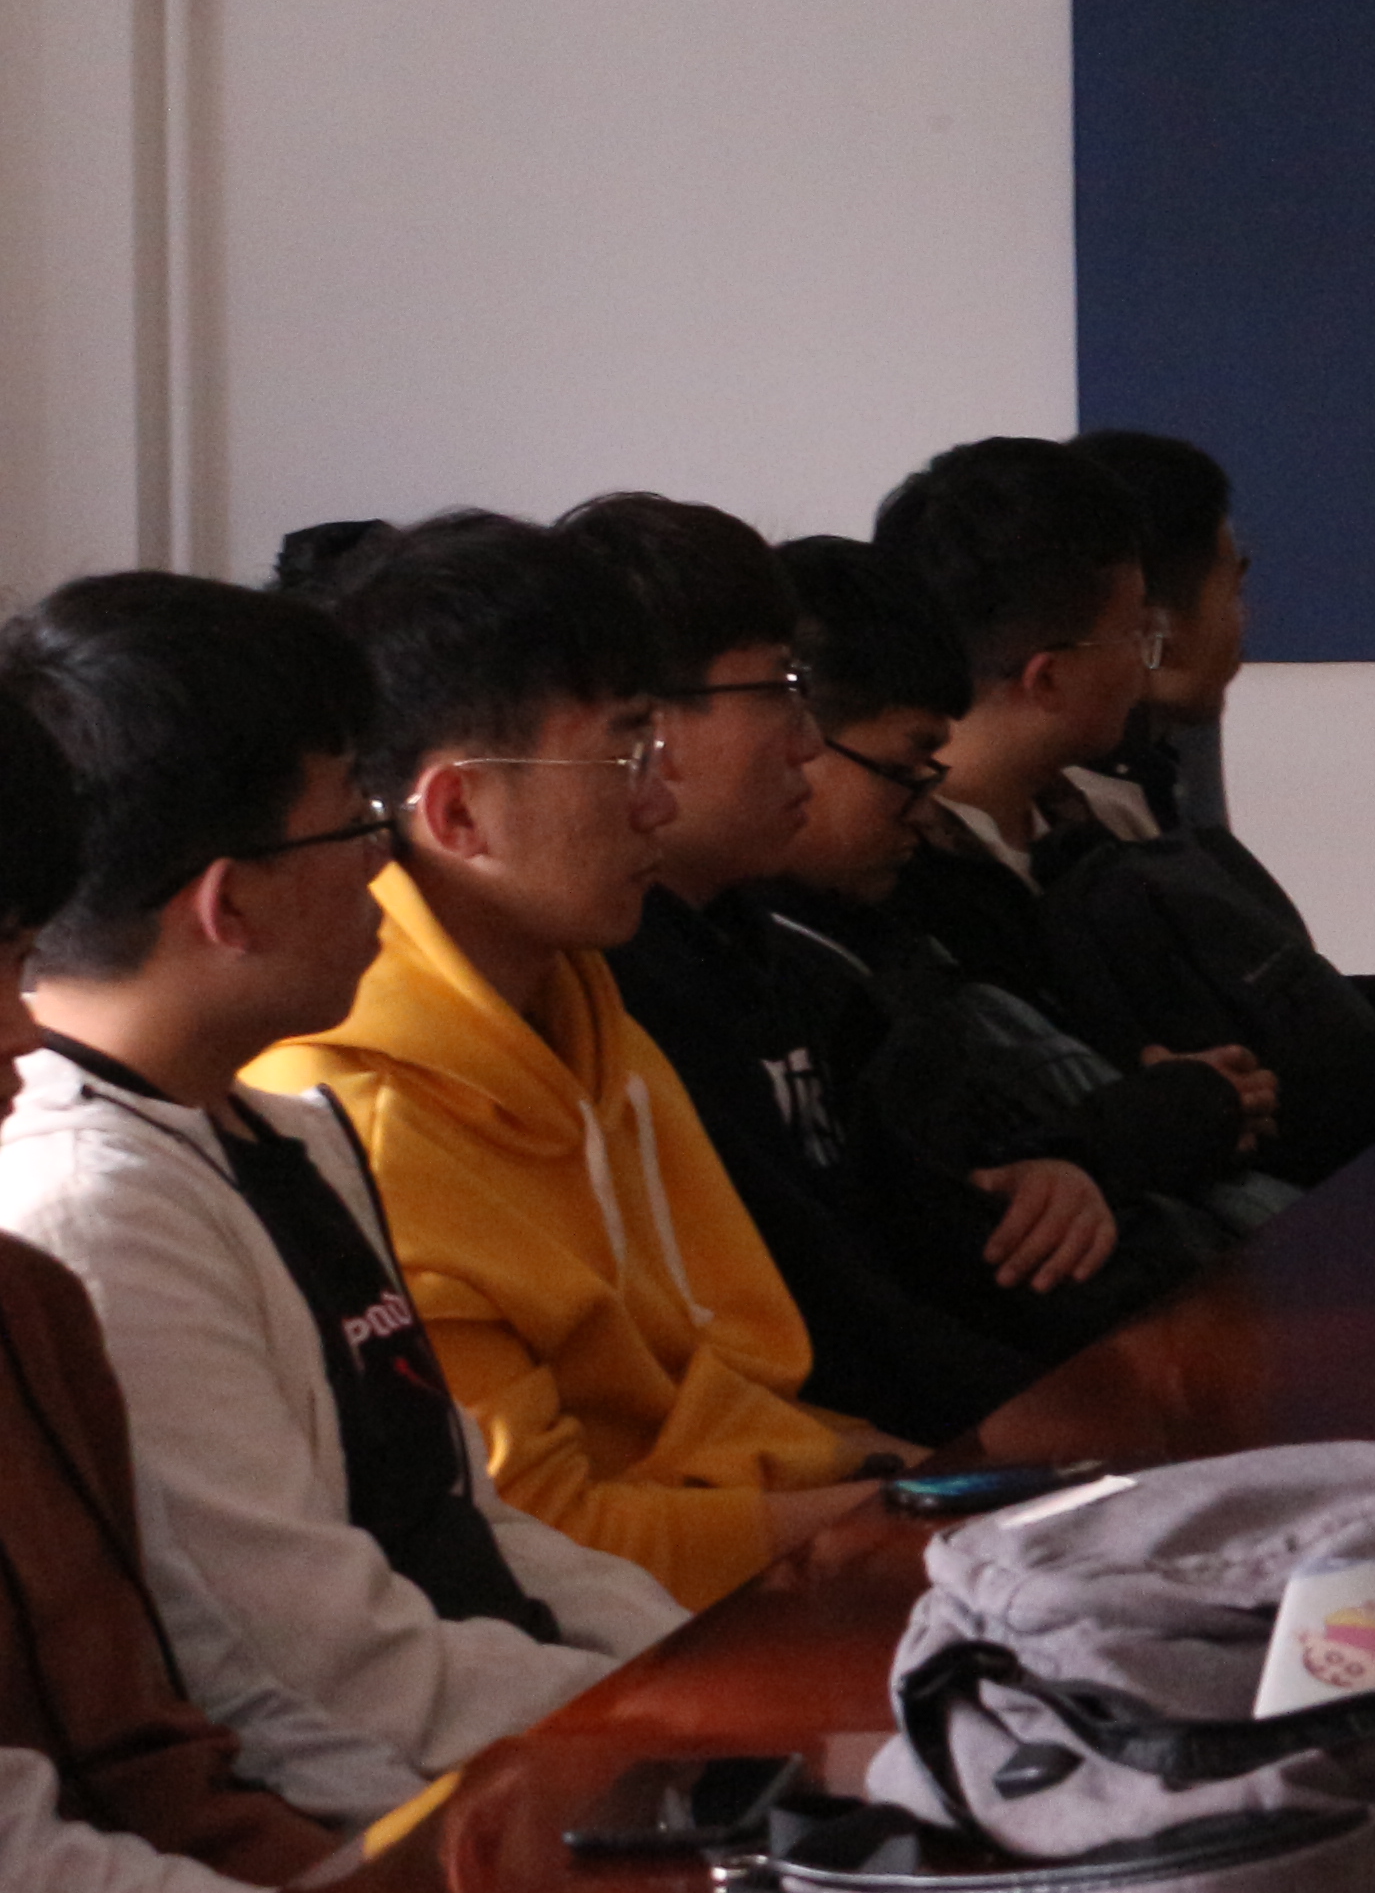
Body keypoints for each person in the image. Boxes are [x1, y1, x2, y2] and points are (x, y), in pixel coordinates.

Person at [0, 575, 678, 1824]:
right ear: (230, 904)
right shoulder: (96, 1213)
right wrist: (668, 1732)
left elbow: (467, 1524)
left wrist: (691, 1672)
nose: (385, 859)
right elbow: (322, 1676)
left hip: (520, 1740)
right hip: (399, 1808)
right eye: (355, 822)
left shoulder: (279, 1130)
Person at [251, 512, 904, 1609]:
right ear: (459, 811)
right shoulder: (357, 1123)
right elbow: (540, 1535)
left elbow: (740, 1389)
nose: (658, 800)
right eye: (625, 753)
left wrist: (919, 1481)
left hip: (743, 1568)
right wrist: (902, 1517)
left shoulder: (584, 1012)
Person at [559, 493, 1105, 1442]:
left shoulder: (772, 957)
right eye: (779, 691)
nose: (805, 742)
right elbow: (824, 1321)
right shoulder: (614, 992)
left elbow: (888, 1228)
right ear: (652, 726)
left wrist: (1042, 1179)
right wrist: (1068, 1425)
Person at [880, 439, 1375, 1180]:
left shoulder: (1080, 825)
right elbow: (1254, 1117)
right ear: (1047, 679)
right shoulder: (916, 889)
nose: (1148, 659)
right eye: (1134, 634)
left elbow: (1259, 1028)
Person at [0, 679, 364, 1893]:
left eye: (18, 960)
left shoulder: (31, 1306)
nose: (22, 1034)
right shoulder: (84, 1203)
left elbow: (184, 1729)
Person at [753, 538, 1279, 1249]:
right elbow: (929, 1217)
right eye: (906, 770)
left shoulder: (891, 926)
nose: (923, 810)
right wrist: (1134, 1127)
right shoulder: (787, 965)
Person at [1067, 429, 1246, 835]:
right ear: (1154, 630)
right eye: (1236, 590)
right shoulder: (1083, 822)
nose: (1246, 620)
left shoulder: (1168, 752)